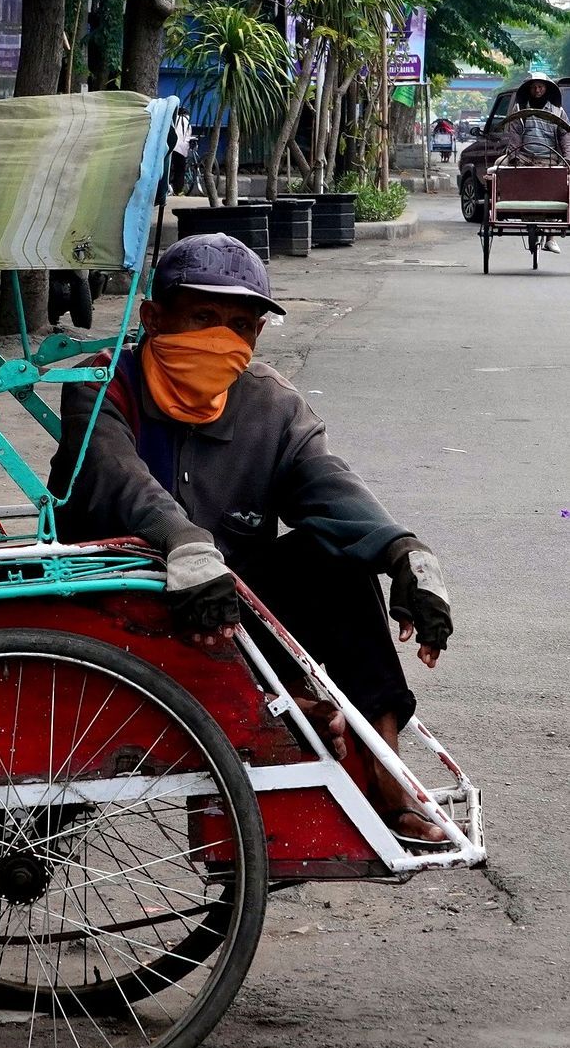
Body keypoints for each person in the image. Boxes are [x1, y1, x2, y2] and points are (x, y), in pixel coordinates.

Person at [49, 233, 453, 846]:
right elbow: (117, 480)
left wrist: (403, 554)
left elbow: (327, 485)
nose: (219, 337)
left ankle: (384, 765)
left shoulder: (270, 404)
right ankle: (299, 710)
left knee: (337, 562)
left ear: (257, 337)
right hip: (121, 595)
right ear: (152, 317)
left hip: (231, 602)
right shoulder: (105, 384)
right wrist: (184, 545)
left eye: (239, 324)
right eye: (201, 317)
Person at [506, 72, 570, 253]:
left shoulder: (558, 112)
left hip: (550, 158)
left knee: (557, 190)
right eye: (534, 87)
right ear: (529, 89)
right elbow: (514, 135)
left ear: (546, 89)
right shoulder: (519, 110)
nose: (537, 90)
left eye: (540, 86)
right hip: (524, 156)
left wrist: (568, 159)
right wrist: (514, 157)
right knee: (498, 168)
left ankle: (551, 238)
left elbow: (565, 136)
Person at [169, 107, 192, 195]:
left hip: (171, 147)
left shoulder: (174, 120)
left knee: (169, 168)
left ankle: (167, 187)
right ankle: (178, 190)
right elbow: (187, 138)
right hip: (181, 150)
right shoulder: (188, 124)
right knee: (180, 170)